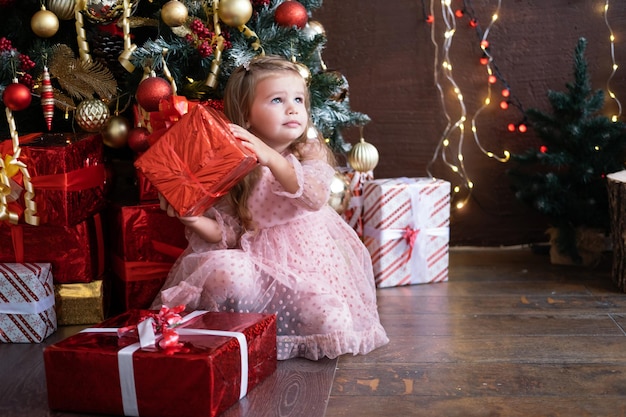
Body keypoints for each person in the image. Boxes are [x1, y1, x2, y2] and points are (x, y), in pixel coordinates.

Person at [152, 55, 389, 360]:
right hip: (259, 268)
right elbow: (226, 231)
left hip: (309, 272)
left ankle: (292, 326)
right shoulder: (237, 166)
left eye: (299, 100)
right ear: (247, 118)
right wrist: (193, 218)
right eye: (277, 100)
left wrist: (270, 156)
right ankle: (246, 328)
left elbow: (312, 195)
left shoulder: (308, 153)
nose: (293, 108)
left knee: (333, 321)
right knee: (226, 269)